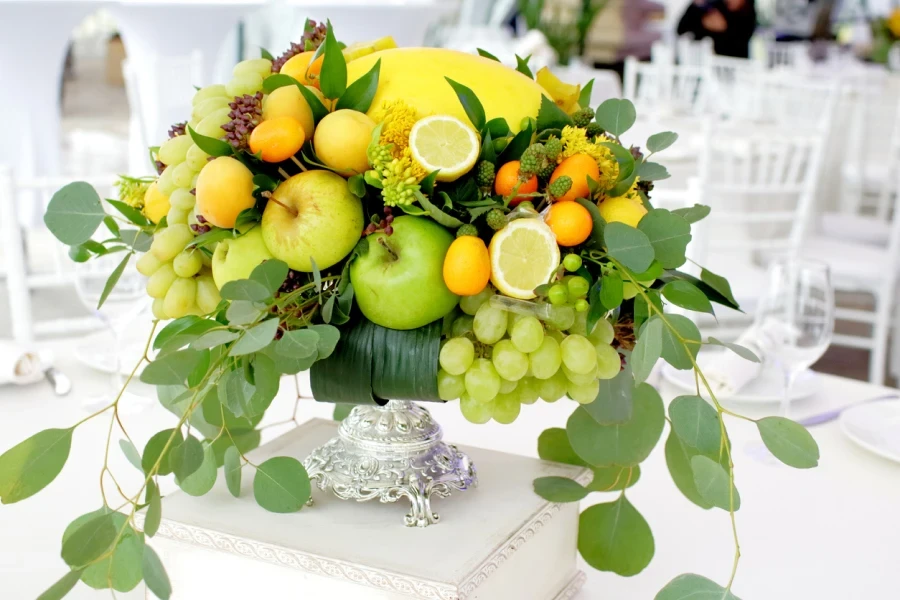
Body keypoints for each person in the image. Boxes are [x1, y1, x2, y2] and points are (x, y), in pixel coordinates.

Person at [677, 0, 758, 58]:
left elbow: (738, 41)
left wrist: (723, 28)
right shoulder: (715, 7)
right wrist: (697, 8)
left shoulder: (749, 16)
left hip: (736, 69)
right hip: (705, 65)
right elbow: (681, 29)